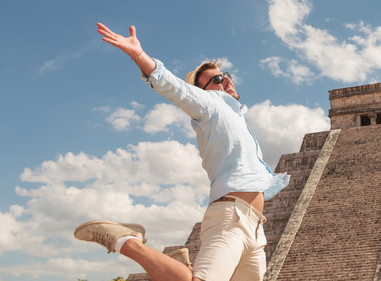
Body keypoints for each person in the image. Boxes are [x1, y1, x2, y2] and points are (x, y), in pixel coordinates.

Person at [74, 23, 290, 281]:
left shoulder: (236, 117)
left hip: (255, 227)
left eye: (226, 74)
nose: (227, 80)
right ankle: (127, 242)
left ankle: (179, 266)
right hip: (230, 218)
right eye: (217, 79)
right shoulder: (211, 105)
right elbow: (176, 89)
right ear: (203, 91)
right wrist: (139, 56)